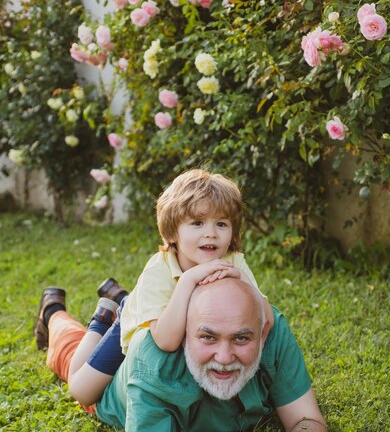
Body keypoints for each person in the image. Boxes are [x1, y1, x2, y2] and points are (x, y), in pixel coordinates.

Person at [35, 277, 328, 432]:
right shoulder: (152, 362)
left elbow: (309, 422)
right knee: (69, 353)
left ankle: (122, 307)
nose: (224, 358)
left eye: (241, 338)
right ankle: (57, 312)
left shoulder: (274, 331)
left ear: (261, 333)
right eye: (208, 337)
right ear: (184, 332)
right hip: (112, 385)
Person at [36, 169, 274, 407]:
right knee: (83, 392)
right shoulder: (159, 270)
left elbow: (266, 318)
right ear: (172, 232)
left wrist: (242, 278)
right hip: (137, 324)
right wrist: (189, 279)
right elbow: (167, 342)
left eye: (221, 224)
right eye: (198, 223)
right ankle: (100, 322)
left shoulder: (234, 262)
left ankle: (119, 296)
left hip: (172, 318)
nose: (211, 233)